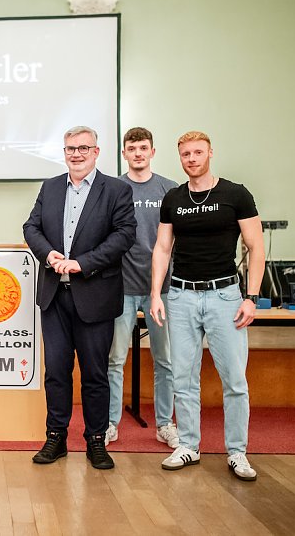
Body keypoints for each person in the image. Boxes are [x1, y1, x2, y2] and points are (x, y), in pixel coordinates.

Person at [150, 131, 264, 481]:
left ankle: (237, 452)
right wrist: (156, 293)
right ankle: (187, 445)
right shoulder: (173, 198)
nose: (192, 159)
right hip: (181, 296)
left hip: (225, 296)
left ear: (210, 153)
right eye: (185, 154)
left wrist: (252, 297)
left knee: (234, 379)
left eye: (198, 152)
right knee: (183, 377)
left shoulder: (235, 194)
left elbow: (255, 247)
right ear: (180, 157)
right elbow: (163, 248)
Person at [22, 125, 136, 470]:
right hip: (55, 296)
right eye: (71, 148)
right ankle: (55, 437)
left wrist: (82, 264)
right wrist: (50, 255)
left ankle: (96, 440)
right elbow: (32, 227)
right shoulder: (51, 187)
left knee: (95, 374)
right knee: (56, 372)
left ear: (96, 152)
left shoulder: (116, 189)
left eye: (84, 148)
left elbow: (124, 235)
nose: (76, 154)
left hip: (95, 296)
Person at [106, 127, 179, 448]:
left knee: (165, 360)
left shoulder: (170, 189)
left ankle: (165, 424)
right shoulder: (112, 188)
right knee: (114, 360)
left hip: (161, 291)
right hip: (120, 288)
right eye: (131, 148)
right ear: (124, 153)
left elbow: (177, 239)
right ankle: (109, 424)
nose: (137, 153)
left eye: (143, 148)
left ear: (152, 151)